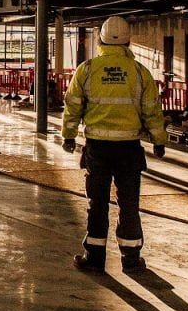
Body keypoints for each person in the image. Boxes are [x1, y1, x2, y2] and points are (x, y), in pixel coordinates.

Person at [61, 16, 168, 273]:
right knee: (129, 203)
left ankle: (95, 257)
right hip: (128, 149)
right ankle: (131, 259)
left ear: (100, 40)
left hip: (98, 148)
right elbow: (152, 111)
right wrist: (159, 140)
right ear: (128, 42)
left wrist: (69, 135)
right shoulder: (140, 72)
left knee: (97, 202)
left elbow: (73, 105)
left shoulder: (87, 70)